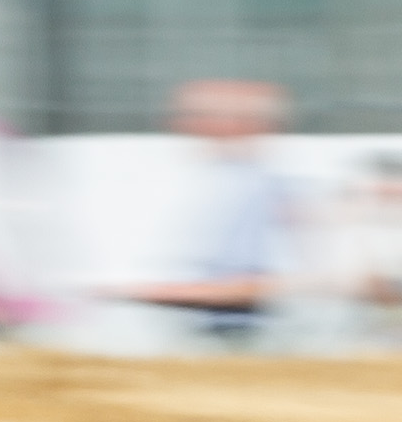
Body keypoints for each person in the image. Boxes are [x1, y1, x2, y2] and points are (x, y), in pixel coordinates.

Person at [127, 79, 297, 347]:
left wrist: (178, 291)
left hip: (233, 330)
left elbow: (262, 278)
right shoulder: (189, 173)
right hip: (187, 322)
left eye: (205, 115)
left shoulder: (259, 185)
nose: (188, 122)